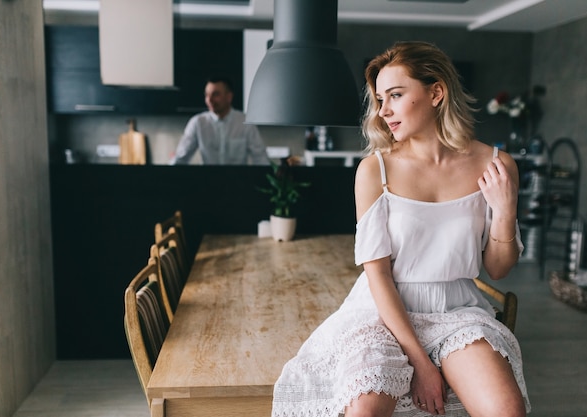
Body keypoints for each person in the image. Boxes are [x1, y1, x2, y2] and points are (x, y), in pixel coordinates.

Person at [272, 41, 531, 417]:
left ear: (436, 92)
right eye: (380, 99)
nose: (384, 111)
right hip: (381, 311)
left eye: (395, 95)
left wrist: (505, 211)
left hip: (456, 310)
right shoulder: (375, 170)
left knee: (507, 411)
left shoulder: (495, 164)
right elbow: (377, 276)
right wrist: (421, 364)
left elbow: (499, 269)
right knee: (365, 410)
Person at [169, 77, 269, 165]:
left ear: (229, 97)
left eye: (215, 95)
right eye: (207, 95)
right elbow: (181, 158)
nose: (209, 100)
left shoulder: (245, 123)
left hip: (238, 183)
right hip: (206, 182)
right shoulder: (197, 123)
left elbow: (260, 159)